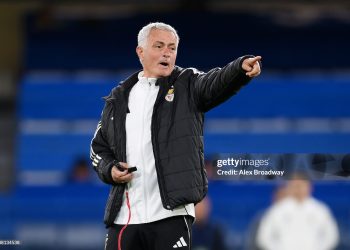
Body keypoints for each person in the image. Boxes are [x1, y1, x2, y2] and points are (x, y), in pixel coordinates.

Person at [90, 22, 261, 250]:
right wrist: (110, 168)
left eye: (172, 47)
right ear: (140, 51)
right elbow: (98, 148)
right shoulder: (118, 98)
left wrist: (239, 69)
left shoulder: (187, 84)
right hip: (124, 217)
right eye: (159, 46)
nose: (166, 53)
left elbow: (215, 83)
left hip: (171, 215)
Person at [256, 173, 339, 250]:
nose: (298, 189)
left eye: (301, 185)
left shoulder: (320, 210)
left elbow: (332, 236)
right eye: (295, 185)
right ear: (289, 187)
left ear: (309, 187)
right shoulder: (277, 210)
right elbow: (264, 237)